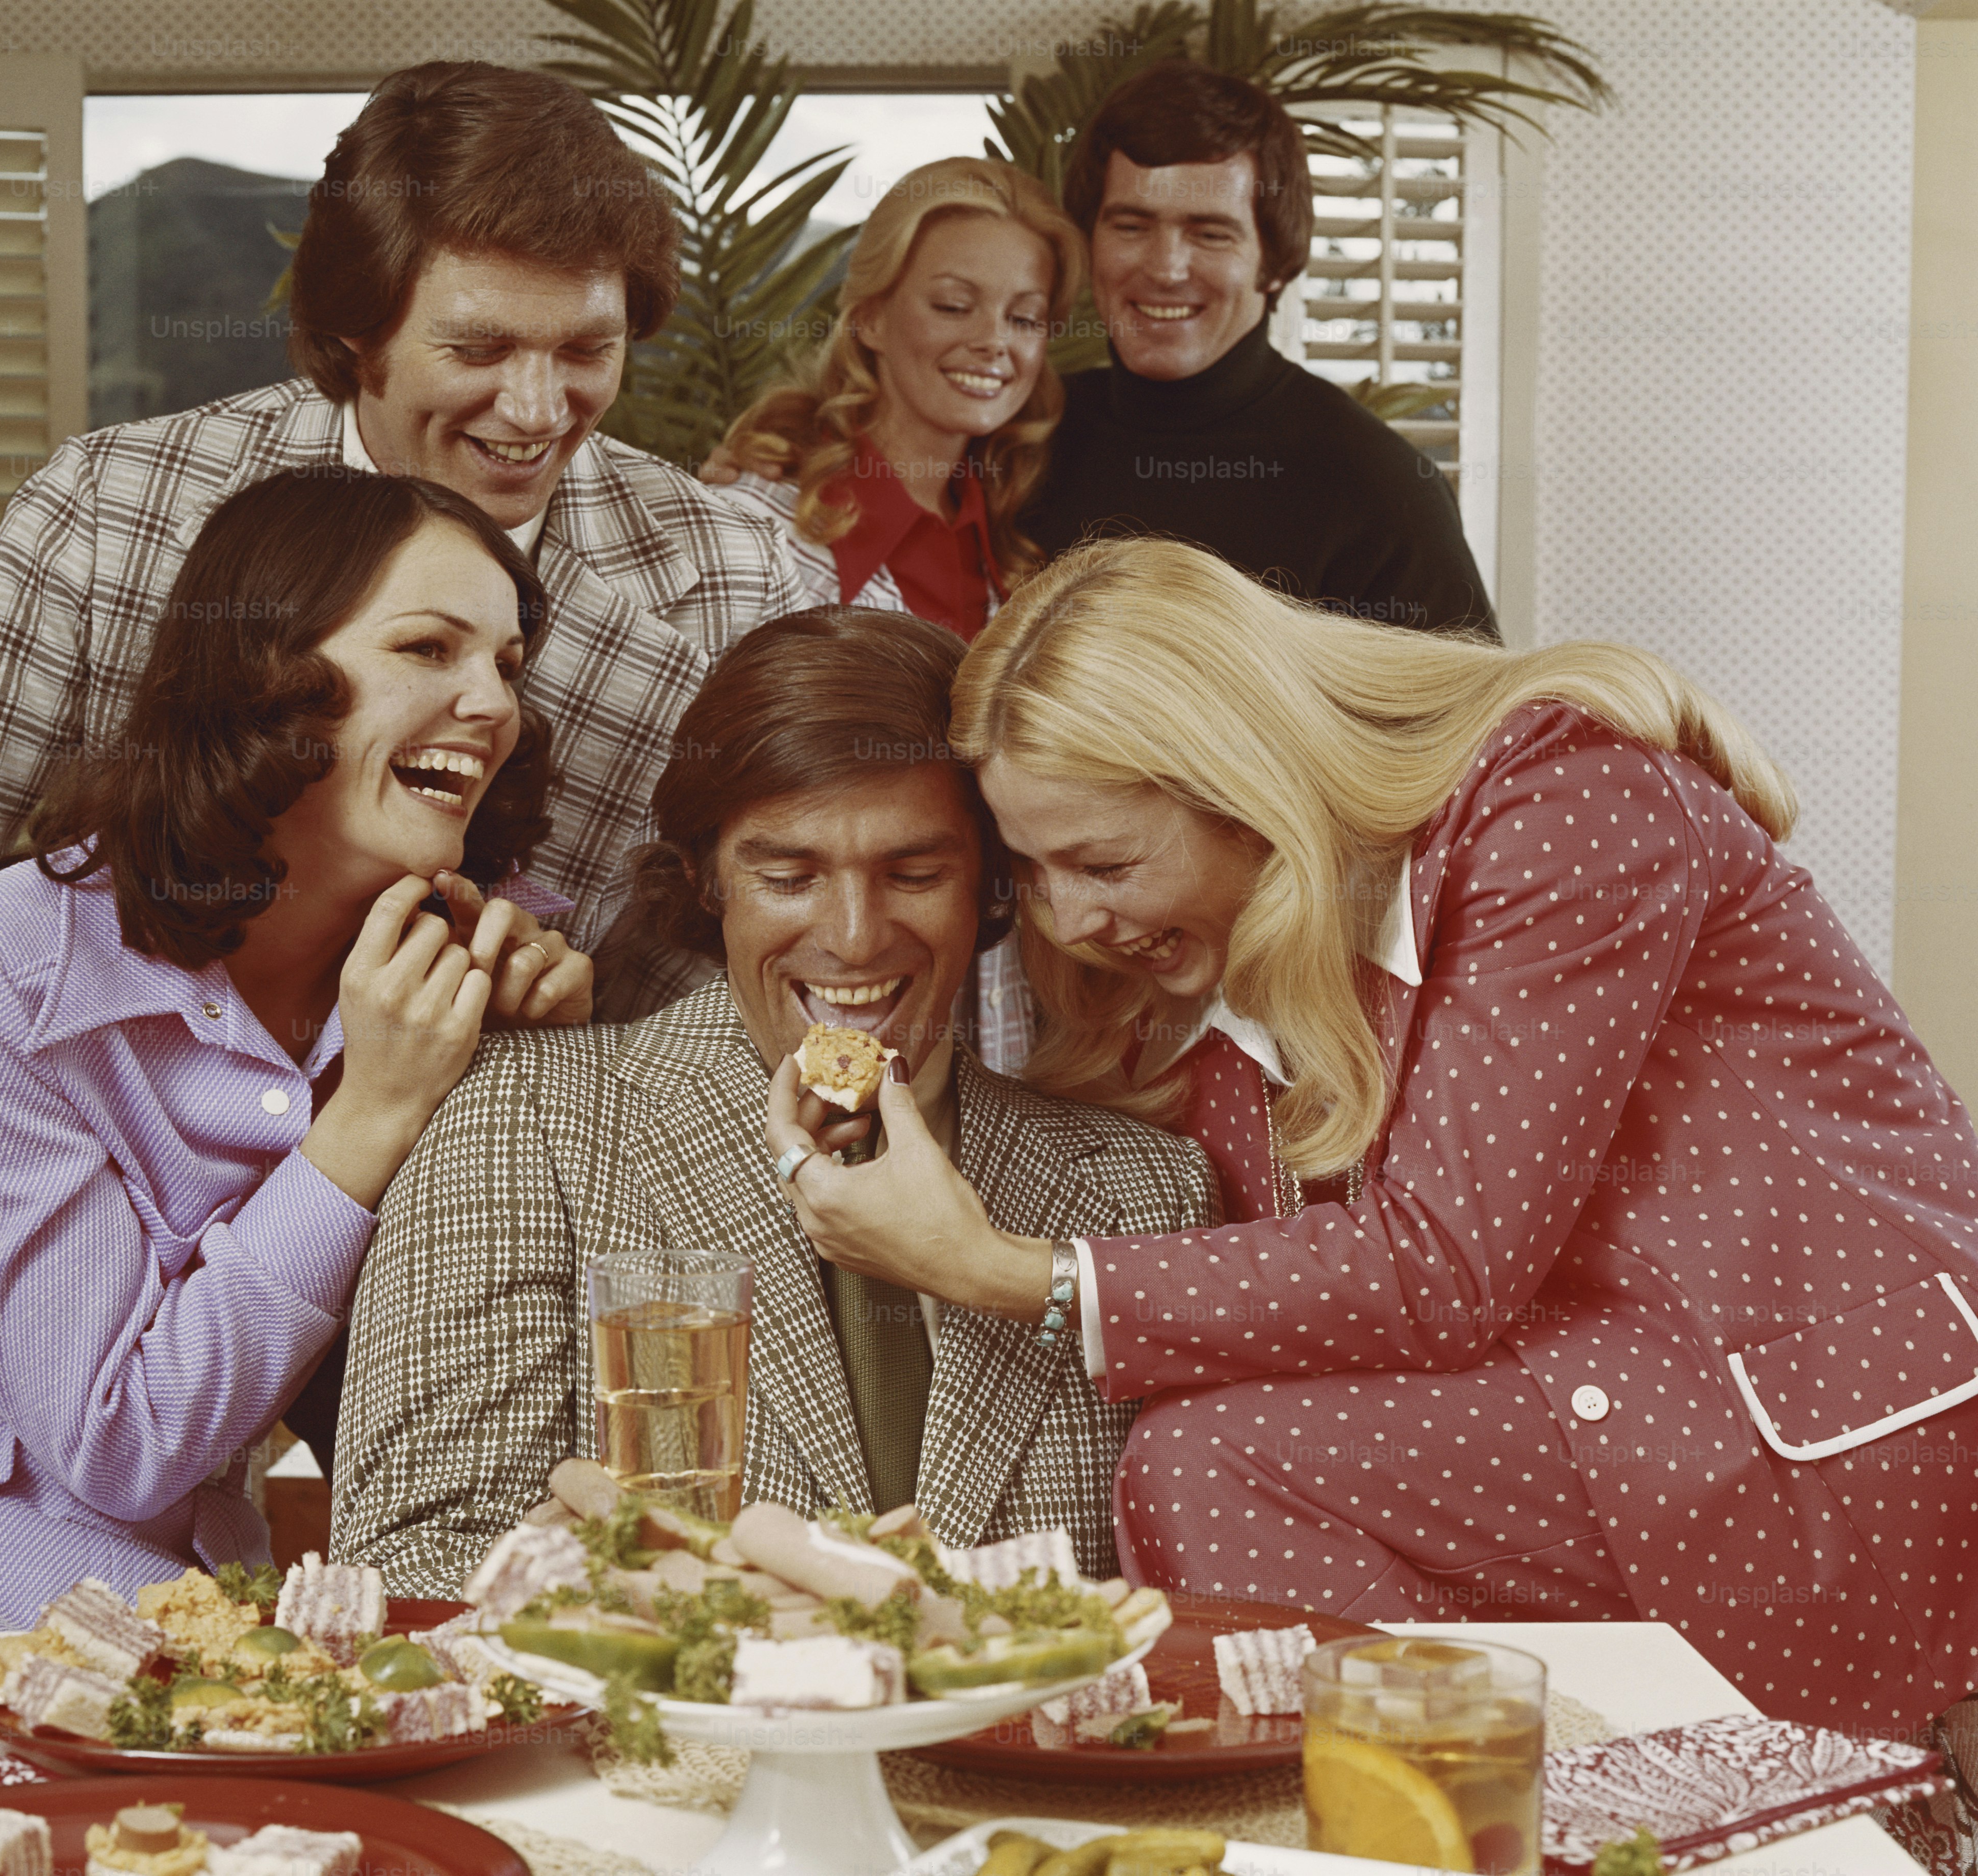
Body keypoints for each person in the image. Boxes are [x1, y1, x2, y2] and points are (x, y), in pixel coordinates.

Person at [0, 60, 797, 1438]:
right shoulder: (116, 519)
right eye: (479, 348)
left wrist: (591, 1036)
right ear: (354, 335)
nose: (536, 407)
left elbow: (793, 938)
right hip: (115, 1264)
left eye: (584, 351)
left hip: (480, 1260)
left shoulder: (732, 578)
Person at [766, 537, 1978, 1741]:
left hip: (1823, 1438)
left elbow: (1439, 1268)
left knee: (1213, 1463)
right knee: (1206, 1466)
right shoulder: (1235, 993)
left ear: (1247, 789)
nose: (1074, 918)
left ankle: (1477, 1807)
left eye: (1103, 861)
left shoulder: (1566, 806)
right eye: (1030, 873)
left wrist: (987, 1268)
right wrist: (878, 1122)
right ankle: (1477, 1806)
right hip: (1602, 1424)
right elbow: (1271, 1295)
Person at [0, 468, 594, 1772]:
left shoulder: (466, 968)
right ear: (261, 673)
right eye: (427, 647)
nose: (491, 703)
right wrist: (369, 1114)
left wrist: (541, 1057)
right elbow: (122, 1436)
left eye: (507, 659)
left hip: (189, 1580)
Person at [328, 608, 1217, 1593]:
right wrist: (734, 1613)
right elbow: (405, 1569)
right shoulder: (522, 1122)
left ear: (992, 886)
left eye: (915, 874)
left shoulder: (1147, 1189)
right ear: (710, 880)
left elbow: (1175, 1607)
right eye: (788, 876)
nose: (853, 937)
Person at [1024, 62, 1496, 639]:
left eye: (1210, 234)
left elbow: (1489, 729)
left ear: (1274, 262)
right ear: (1089, 241)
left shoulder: (1376, 487)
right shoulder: (1026, 436)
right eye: (1131, 225)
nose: (1165, 268)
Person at [710, 158, 1084, 644]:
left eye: (1025, 318)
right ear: (870, 319)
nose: (994, 341)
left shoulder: (1013, 544)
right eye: (953, 306)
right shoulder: (749, 526)